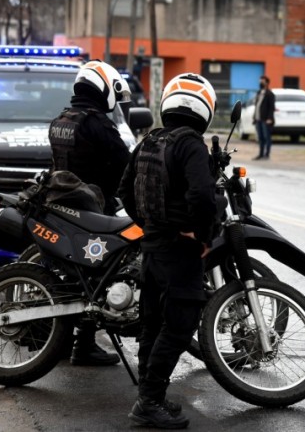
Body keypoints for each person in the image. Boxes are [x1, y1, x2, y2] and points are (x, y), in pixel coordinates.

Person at [119, 73, 220, 429]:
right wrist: (203, 235)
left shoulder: (149, 140)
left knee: (153, 324)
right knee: (179, 325)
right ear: (204, 107)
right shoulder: (191, 144)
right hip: (179, 251)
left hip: (153, 248)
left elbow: (125, 192)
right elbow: (203, 196)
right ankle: (148, 402)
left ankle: (152, 397)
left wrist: (149, 224)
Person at [47, 59, 132, 366]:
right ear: (103, 88)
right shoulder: (97, 123)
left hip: (64, 207)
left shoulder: (62, 119)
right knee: (101, 277)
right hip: (93, 210)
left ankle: (60, 342)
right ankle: (83, 345)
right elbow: (126, 164)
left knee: (76, 277)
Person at [252, 75, 275, 160]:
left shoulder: (270, 94)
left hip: (266, 120)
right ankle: (260, 154)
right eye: (260, 80)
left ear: (267, 83)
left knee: (267, 137)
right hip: (258, 119)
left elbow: (271, 107)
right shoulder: (259, 93)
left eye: (262, 81)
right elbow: (257, 106)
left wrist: (270, 118)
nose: (260, 82)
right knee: (260, 138)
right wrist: (254, 117)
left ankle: (267, 154)